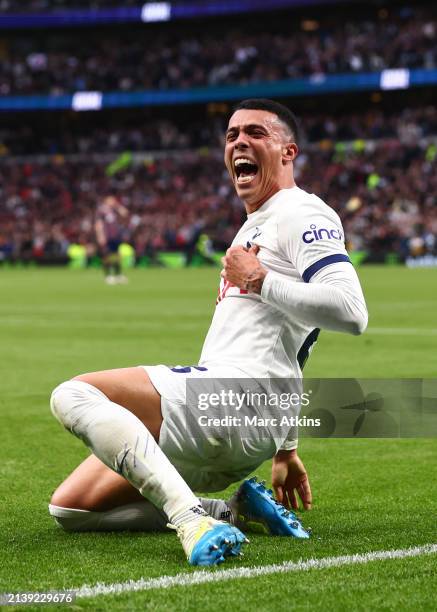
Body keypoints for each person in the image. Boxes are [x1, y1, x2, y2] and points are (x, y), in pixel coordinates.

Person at [49, 99, 368, 566]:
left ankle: (190, 519)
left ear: (288, 151)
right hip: (241, 423)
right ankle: (234, 510)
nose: (239, 140)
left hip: (233, 401)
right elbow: (291, 345)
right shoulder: (252, 227)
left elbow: (351, 310)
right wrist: (286, 449)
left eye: (256, 132)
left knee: (72, 395)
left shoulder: (302, 212)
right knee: (72, 508)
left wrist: (259, 279)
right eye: (232, 134)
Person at [95, 195, 129, 284]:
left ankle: (118, 274)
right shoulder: (101, 210)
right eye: (111, 200)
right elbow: (98, 223)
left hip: (116, 236)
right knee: (107, 256)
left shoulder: (114, 210)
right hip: (107, 236)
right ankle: (108, 275)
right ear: (106, 200)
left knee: (117, 256)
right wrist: (100, 235)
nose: (113, 201)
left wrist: (117, 206)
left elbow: (125, 213)